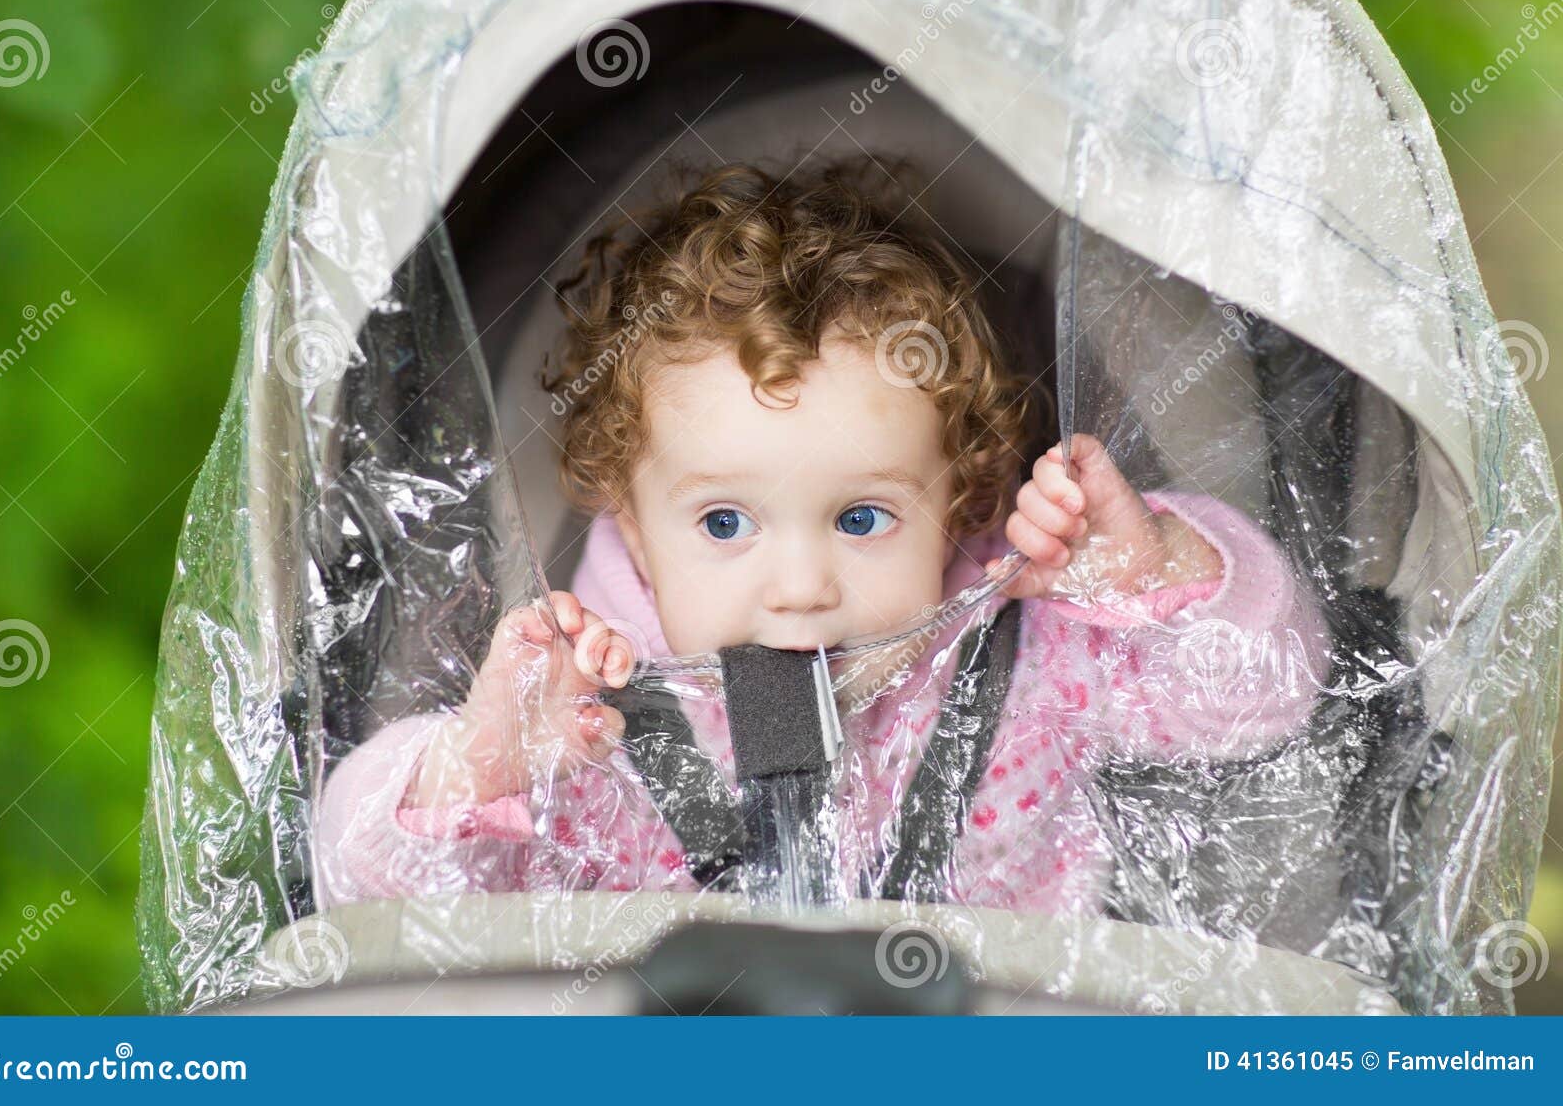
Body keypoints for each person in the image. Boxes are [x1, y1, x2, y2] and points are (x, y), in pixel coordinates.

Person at [315, 159, 1328, 913]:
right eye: (723, 522)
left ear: (959, 500)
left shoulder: (1026, 655)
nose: (798, 583)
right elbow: (370, 895)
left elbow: (1262, 701)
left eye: (860, 517)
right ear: (628, 518)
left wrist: (1158, 574)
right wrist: (475, 765)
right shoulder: (574, 721)